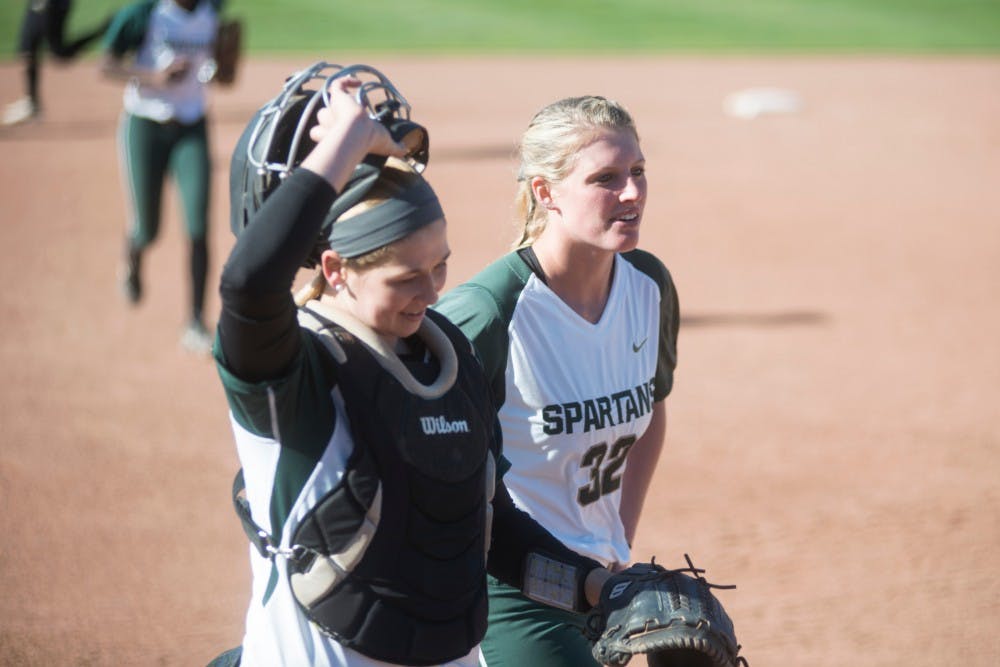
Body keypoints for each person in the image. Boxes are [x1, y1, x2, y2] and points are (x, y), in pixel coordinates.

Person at [211, 65, 617, 667]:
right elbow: (247, 287)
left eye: (440, 267)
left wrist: (596, 588)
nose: (430, 292)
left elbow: (488, 531)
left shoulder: (446, 354)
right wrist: (342, 146)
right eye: (405, 278)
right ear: (334, 269)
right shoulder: (294, 369)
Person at [434, 95, 680, 666]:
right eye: (606, 178)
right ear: (546, 193)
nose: (633, 193)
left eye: (638, 171)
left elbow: (653, 409)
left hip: (604, 586)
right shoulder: (487, 313)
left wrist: (617, 545)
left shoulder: (648, 284)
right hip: (509, 591)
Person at [101, 0, 223, 353]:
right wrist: (154, 76)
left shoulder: (212, 10)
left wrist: (226, 66)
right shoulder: (144, 13)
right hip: (145, 125)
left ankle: (196, 322)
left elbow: (218, 71)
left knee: (198, 226)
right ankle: (133, 254)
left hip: (192, 126)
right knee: (148, 228)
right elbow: (106, 64)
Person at [2, 0, 111, 126]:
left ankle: (103, 30)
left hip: (54, 4)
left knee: (59, 52)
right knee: (27, 50)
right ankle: (31, 103)